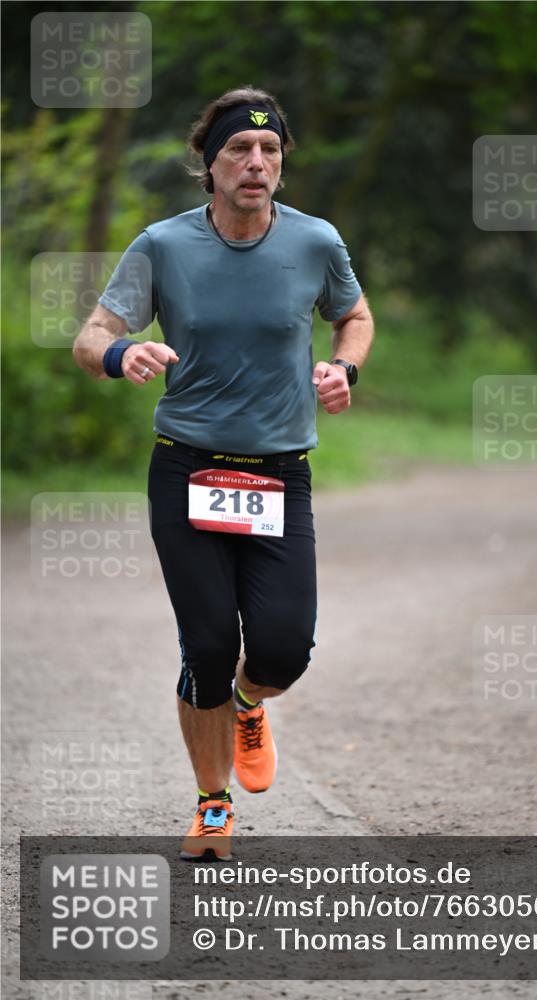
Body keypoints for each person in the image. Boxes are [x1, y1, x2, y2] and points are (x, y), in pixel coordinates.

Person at [72, 86, 374, 858]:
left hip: (279, 474)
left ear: (281, 164)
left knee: (282, 650)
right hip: (188, 468)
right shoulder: (163, 246)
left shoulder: (315, 242)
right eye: (239, 150)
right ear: (209, 167)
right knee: (205, 644)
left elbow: (355, 313)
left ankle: (249, 702)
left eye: (270, 151)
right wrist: (120, 352)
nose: (256, 162)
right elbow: (92, 335)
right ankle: (212, 804)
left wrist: (343, 368)